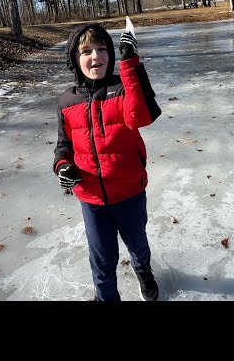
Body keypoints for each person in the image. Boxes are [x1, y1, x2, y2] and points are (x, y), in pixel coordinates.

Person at [53, 22, 162, 301]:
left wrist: (130, 64)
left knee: (137, 245)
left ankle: (143, 271)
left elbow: (143, 115)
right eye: (87, 50)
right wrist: (63, 167)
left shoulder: (122, 87)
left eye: (102, 49)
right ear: (75, 59)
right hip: (91, 197)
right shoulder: (66, 101)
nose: (96, 57)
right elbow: (63, 146)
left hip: (129, 192)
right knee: (101, 259)